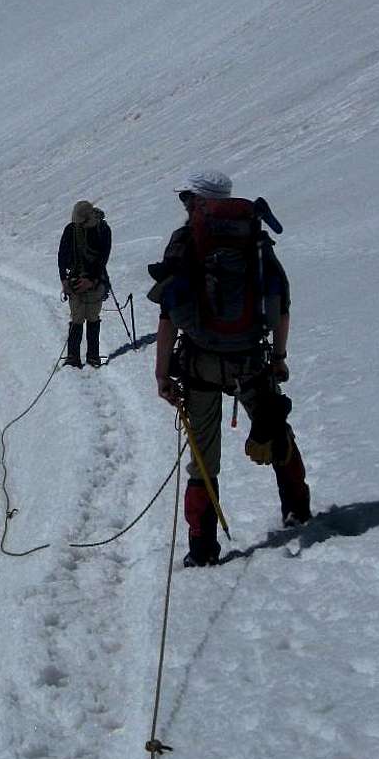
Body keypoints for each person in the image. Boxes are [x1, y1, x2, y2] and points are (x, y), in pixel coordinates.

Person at [148, 169, 311, 568]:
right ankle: (297, 509)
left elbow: (169, 314)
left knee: (203, 456)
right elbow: (280, 303)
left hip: (199, 362)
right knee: (275, 429)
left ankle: (202, 548)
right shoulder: (254, 239)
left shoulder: (186, 242)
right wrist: (279, 357)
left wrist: (162, 371)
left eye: (187, 197)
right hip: (252, 361)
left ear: (196, 201)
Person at [58, 201, 112, 368]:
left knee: (92, 317)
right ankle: (74, 356)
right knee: (77, 317)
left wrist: (93, 280)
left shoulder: (102, 230)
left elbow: (103, 258)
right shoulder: (71, 229)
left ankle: (92, 356)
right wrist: (64, 280)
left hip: (95, 281)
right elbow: (62, 256)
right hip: (77, 279)